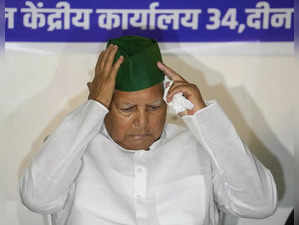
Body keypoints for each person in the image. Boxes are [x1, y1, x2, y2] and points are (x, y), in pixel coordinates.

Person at [19, 35, 277, 225]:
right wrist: (93, 107)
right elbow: (36, 197)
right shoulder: (72, 149)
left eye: (154, 107)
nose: (142, 122)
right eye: (127, 109)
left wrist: (204, 118)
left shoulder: (198, 147)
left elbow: (260, 205)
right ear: (103, 102)